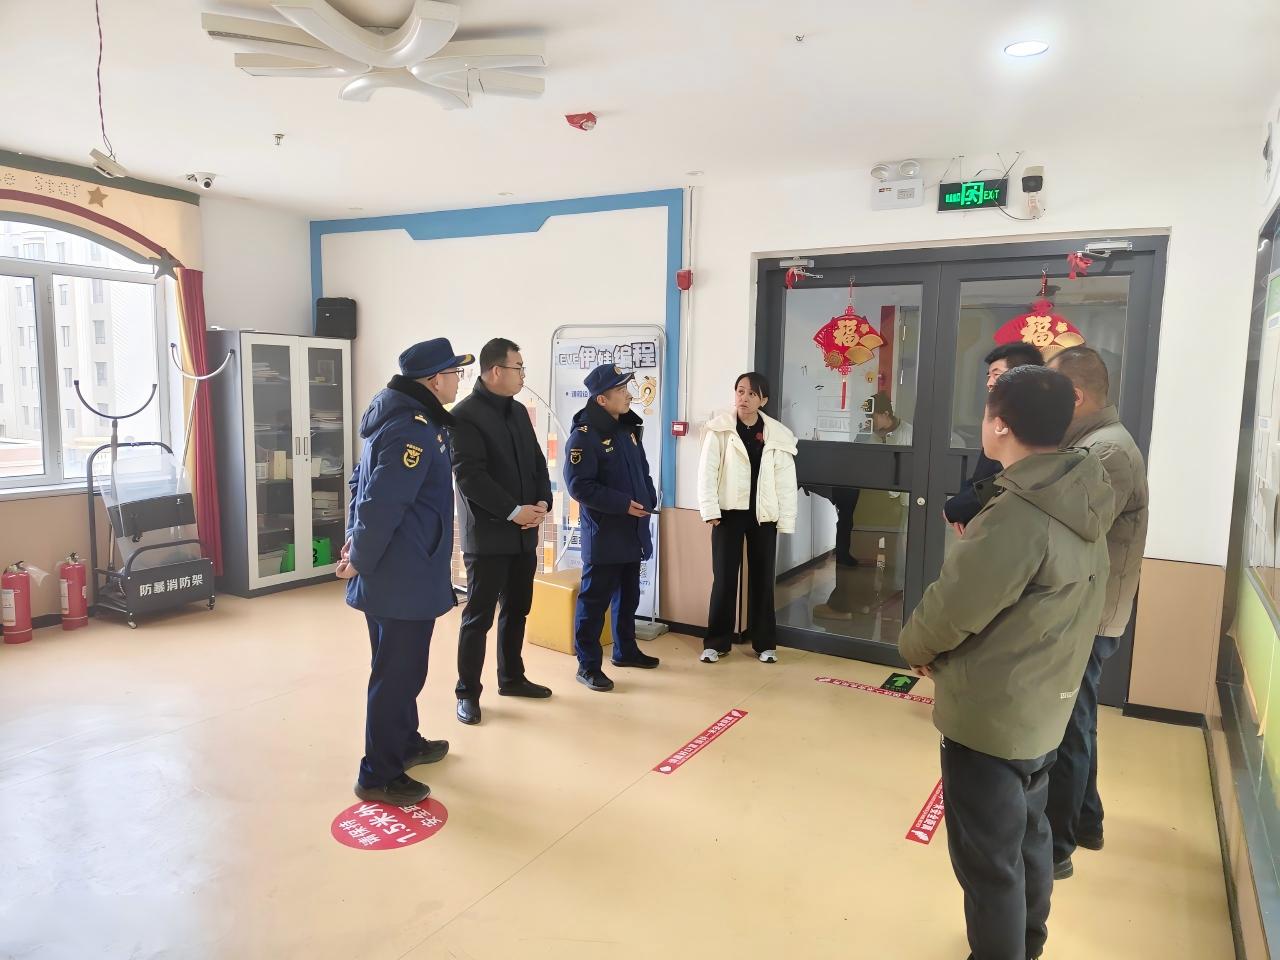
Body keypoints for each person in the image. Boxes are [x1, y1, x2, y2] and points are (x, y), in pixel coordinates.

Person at [898, 365, 1114, 960]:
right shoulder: (1081, 491)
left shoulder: (1020, 513)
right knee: (1029, 836)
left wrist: (914, 649)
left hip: (992, 715)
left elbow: (953, 607)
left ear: (999, 425)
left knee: (988, 858)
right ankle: (1027, 941)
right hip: (1046, 704)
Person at [338, 337, 474, 807]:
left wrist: (356, 539)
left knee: (405, 668)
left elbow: (361, 484)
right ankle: (379, 774)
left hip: (408, 568)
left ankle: (405, 742)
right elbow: (381, 502)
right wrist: (359, 554)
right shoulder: (411, 429)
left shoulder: (410, 420)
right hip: (400, 574)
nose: (458, 380)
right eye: (454, 373)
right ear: (434, 380)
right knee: (395, 675)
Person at [1044, 346, 1149, 880]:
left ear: (1075, 396)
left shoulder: (1105, 451)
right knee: (1078, 719)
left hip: (1089, 612)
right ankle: (1087, 821)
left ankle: (1057, 845)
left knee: (1068, 726)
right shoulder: (1094, 441)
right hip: (1088, 607)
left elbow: (1072, 529)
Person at [449, 338, 554, 726]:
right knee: (478, 617)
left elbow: (537, 463)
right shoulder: (464, 416)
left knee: (517, 608)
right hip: (489, 536)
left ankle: (511, 678)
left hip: (524, 533)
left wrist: (543, 502)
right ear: (496, 371)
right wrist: (513, 511)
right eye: (518, 368)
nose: (523, 375)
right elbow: (470, 477)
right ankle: (467, 693)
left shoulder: (518, 411)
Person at [563, 363, 660, 691]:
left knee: (629, 595)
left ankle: (625, 650)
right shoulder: (584, 436)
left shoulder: (627, 428)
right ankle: (588, 665)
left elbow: (642, 471)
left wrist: (649, 498)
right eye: (621, 390)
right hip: (605, 532)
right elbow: (580, 487)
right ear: (602, 399)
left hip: (633, 529)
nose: (628, 395)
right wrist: (622, 504)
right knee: (594, 603)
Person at [696, 372, 798, 663]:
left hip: (763, 517)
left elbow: (785, 481)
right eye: (740, 391)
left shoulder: (777, 434)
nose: (744, 398)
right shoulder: (720, 429)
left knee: (763, 580)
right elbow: (707, 472)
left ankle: (765, 644)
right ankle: (716, 643)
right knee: (724, 580)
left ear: (763, 400)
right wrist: (709, 510)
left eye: (752, 394)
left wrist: (785, 519)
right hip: (727, 515)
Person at [944, 343, 1045, 534]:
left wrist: (954, 509)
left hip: (1007, 525)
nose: (989, 383)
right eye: (988, 376)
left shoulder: (1031, 421)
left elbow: (1001, 480)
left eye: (996, 375)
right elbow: (981, 475)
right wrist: (961, 509)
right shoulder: (1005, 413)